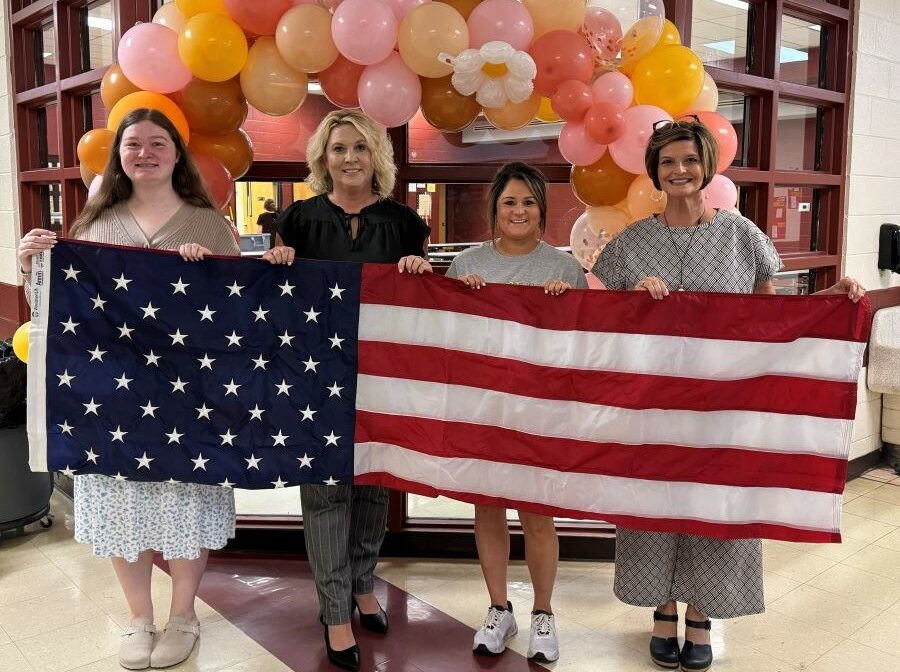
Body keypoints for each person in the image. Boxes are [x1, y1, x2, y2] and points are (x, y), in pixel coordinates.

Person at [16, 107, 293, 671]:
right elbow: (63, 313)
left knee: (185, 503)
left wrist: (241, 268)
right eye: (133, 143)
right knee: (122, 504)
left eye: (158, 143)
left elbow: (236, 309)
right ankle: (140, 617)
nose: (145, 153)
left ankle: (184, 614)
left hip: (189, 398)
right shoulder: (93, 224)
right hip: (111, 395)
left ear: (177, 153)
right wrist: (31, 268)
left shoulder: (206, 221)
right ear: (117, 155)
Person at [592, 117, 864, 672]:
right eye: (667, 162)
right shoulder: (633, 244)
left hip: (725, 410)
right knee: (656, 505)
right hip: (654, 408)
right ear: (655, 171)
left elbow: (771, 321)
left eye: (689, 160)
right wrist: (636, 299)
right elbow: (602, 319)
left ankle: (701, 615)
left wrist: (834, 300)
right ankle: (662, 608)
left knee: (716, 507)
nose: (679, 171)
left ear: (706, 166)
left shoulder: (744, 236)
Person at [268, 109, 431, 672]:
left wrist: (418, 268)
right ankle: (335, 611)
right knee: (325, 493)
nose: (350, 158)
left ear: (377, 158)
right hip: (316, 379)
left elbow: (425, 304)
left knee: (372, 486)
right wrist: (278, 264)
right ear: (323, 158)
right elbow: (277, 303)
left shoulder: (405, 223)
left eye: (361, 148)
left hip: (382, 376)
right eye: (339, 148)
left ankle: (363, 583)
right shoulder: (299, 221)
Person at [445, 162, 587, 663]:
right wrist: (466, 300)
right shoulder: (464, 266)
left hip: (540, 413)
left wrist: (566, 305)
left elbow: (583, 346)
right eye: (510, 201)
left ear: (542, 211)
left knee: (536, 514)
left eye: (529, 201)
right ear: (495, 210)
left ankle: (543, 614)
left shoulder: (565, 269)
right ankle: (498, 608)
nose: (519, 210)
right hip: (485, 411)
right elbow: (448, 342)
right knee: (487, 508)